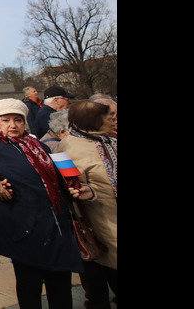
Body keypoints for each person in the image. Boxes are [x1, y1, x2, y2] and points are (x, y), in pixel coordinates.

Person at [0, 99, 87, 309]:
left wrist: (72, 187)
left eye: (18, 120)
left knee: (60, 284)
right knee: (30, 285)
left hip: (54, 225)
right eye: (6, 120)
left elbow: (57, 176)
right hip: (24, 227)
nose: (13, 125)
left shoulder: (37, 145)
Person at [57, 101, 117, 309]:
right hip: (102, 219)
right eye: (108, 116)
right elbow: (72, 187)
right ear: (93, 120)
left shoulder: (108, 139)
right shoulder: (69, 146)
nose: (112, 119)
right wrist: (88, 191)